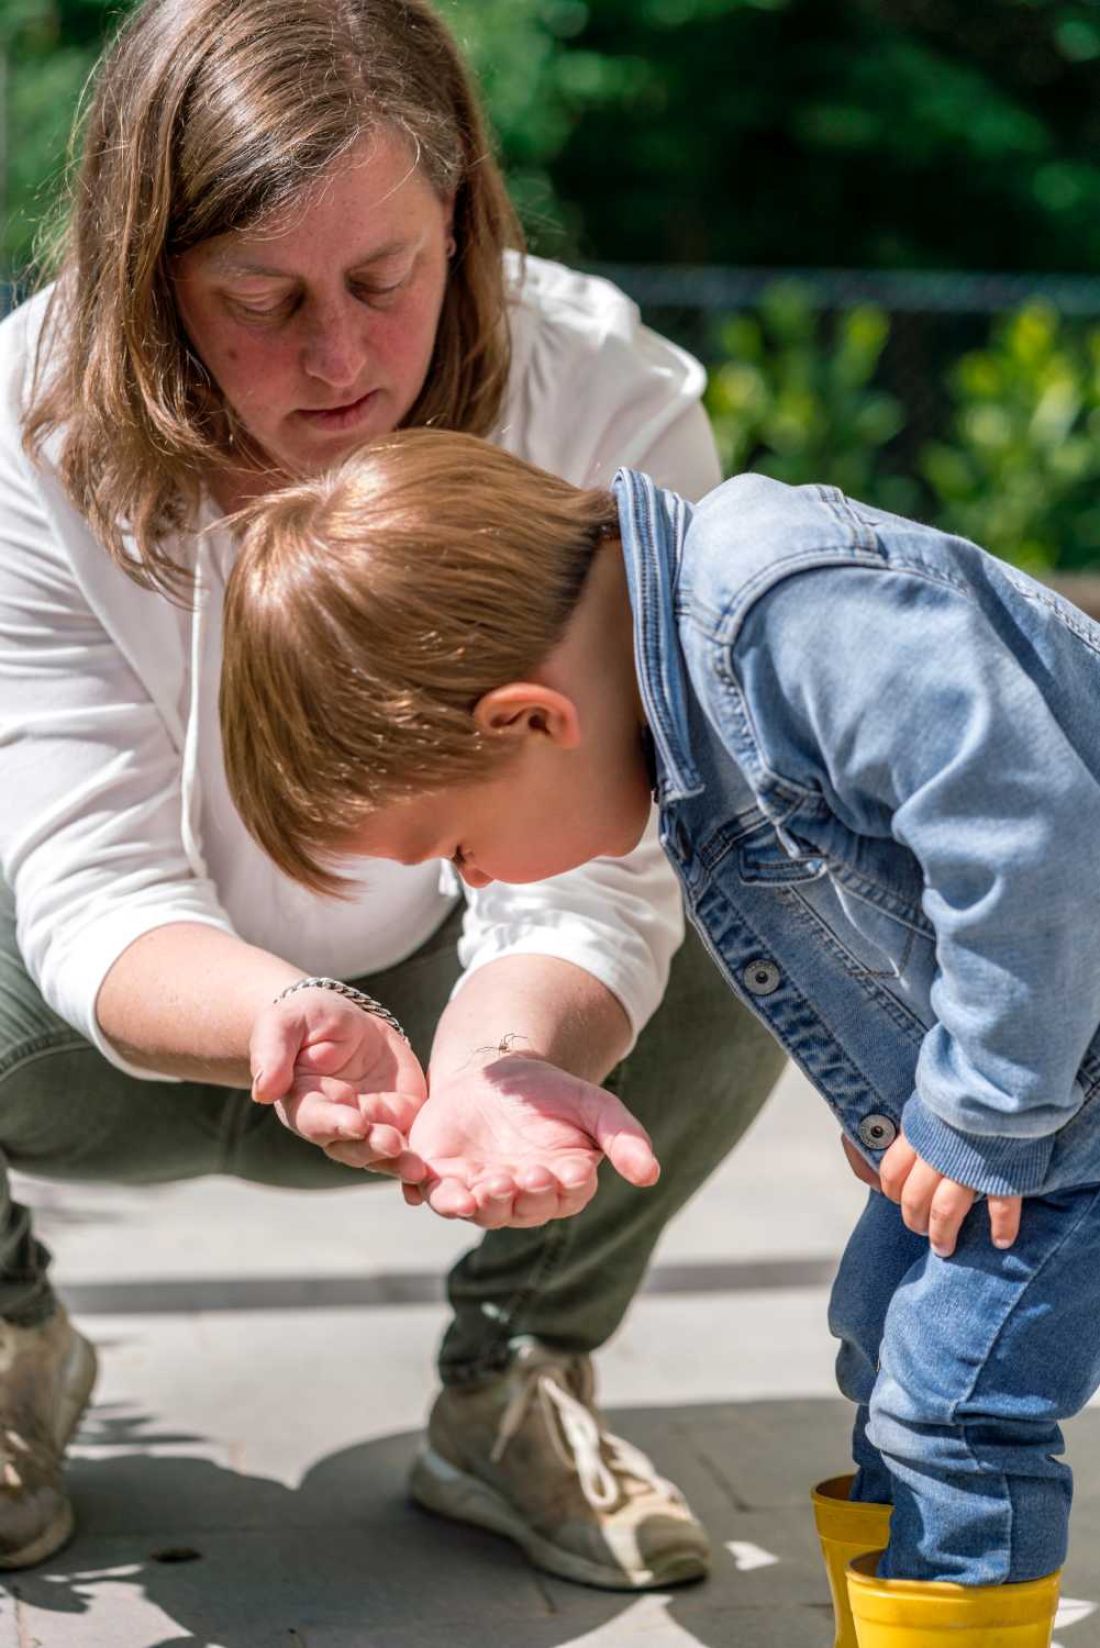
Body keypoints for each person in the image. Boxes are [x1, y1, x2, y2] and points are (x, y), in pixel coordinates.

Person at [0, 0, 786, 1585]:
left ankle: (518, 1380)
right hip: (95, 1035)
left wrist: (502, 1059)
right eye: (261, 298)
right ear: (153, 276)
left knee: (753, 871)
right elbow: (80, 875)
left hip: (463, 1001)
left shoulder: (603, 396)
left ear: (464, 223)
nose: (342, 357)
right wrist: (276, 1016)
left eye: (387, 277)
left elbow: (610, 835)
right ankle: (14, 1337)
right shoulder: (31, 422)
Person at [219, 427, 1100, 1648]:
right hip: (1049, 1079)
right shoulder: (683, 688)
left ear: (529, 720)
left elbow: (1032, 843)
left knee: (952, 1395)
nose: (471, 879)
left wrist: (977, 1109)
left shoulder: (788, 611)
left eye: (454, 848)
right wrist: (904, 1093)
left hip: (1058, 1091)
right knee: (878, 1329)